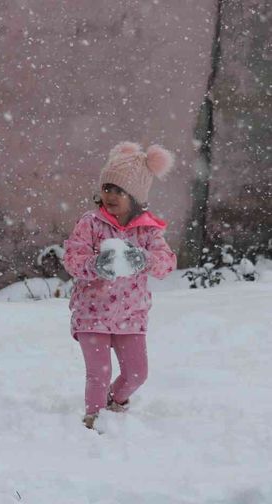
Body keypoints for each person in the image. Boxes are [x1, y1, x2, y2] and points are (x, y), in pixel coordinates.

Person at [62, 142, 177, 430]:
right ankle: (95, 421)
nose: (110, 195)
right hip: (92, 314)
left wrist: (144, 259)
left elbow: (167, 263)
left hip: (130, 316)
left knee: (137, 373)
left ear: (136, 197)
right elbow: (73, 259)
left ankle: (113, 402)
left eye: (119, 190)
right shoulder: (91, 223)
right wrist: (95, 265)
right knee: (98, 374)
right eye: (107, 188)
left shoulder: (148, 230)